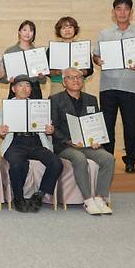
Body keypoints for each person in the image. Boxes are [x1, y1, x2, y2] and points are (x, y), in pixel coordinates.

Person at [93, 0, 135, 174]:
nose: (122, 12)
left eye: (126, 9)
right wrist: (98, 60)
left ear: (131, 12)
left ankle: (131, 160)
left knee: (130, 125)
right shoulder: (104, 33)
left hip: (130, 86)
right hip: (108, 86)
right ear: (113, 12)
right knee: (107, 125)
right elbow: (95, 56)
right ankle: (107, 159)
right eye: (119, 9)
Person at [50, 67, 115, 215]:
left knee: (108, 158)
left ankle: (100, 198)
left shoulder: (91, 99)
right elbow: (54, 127)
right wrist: (69, 141)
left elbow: (96, 123)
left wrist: (97, 139)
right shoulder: (55, 99)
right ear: (64, 82)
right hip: (64, 145)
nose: (76, 80)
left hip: (88, 144)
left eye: (79, 77)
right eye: (71, 77)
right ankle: (88, 200)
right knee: (79, 158)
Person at [0, 75, 63, 213]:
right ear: (13, 89)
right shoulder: (7, 107)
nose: (24, 88)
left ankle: (39, 194)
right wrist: (2, 132)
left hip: (36, 142)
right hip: (15, 143)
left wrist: (49, 130)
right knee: (16, 164)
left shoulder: (38, 106)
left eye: (27, 86)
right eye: (20, 85)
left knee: (56, 163)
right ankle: (19, 198)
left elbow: (48, 127)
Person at [48, 17, 94, 95]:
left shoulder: (82, 47)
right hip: (58, 85)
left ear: (75, 29)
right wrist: (56, 72)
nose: (67, 30)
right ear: (59, 31)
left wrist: (82, 72)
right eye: (63, 28)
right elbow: (46, 71)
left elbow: (90, 70)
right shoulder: (52, 48)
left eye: (70, 27)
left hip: (78, 84)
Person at [1, 20, 47, 99]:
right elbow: (2, 78)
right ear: (19, 32)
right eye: (25, 30)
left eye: (31, 31)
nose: (27, 33)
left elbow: (43, 81)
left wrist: (41, 76)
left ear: (34, 34)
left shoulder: (37, 53)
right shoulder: (10, 51)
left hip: (34, 89)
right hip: (16, 89)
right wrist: (8, 80)